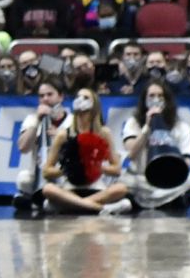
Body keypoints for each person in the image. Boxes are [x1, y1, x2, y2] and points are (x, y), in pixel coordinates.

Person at [42, 87, 130, 215]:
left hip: (96, 187)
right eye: (78, 97)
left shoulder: (103, 133)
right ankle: (100, 208)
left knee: (121, 188)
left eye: (86, 98)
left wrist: (97, 167)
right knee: (48, 189)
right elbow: (46, 171)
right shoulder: (63, 135)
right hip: (70, 187)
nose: (80, 100)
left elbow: (116, 169)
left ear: (94, 105)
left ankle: (77, 206)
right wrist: (66, 169)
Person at [119, 82, 190, 210]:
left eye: (160, 96)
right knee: (122, 181)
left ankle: (148, 202)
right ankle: (166, 200)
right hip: (140, 179)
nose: (155, 99)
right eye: (151, 96)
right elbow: (131, 153)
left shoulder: (181, 126)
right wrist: (147, 127)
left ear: (166, 100)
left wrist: (169, 175)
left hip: (169, 180)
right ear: (144, 100)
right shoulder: (133, 122)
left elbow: (187, 161)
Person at [14, 80, 73, 211]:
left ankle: (40, 203)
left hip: (64, 173)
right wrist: (37, 121)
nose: (45, 99)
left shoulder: (72, 121)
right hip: (39, 172)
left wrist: (63, 138)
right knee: (23, 179)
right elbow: (23, 148)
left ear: (61, 96)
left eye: (49, 94)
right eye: (41, 96)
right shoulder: (31, 119)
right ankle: (40, 200)